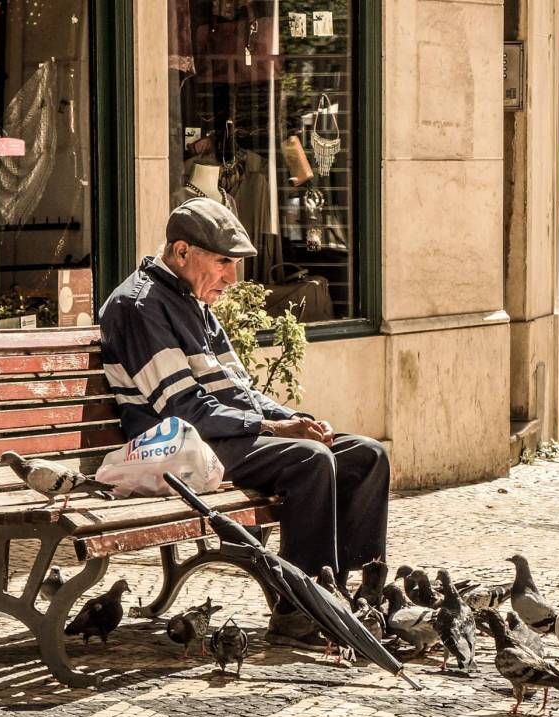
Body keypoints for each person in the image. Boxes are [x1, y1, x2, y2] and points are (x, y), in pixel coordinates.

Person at [98, 198, 390, 647]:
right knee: (308, 461)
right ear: (181, 252)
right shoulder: (141, 306)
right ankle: (299, 613)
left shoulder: (192, 299)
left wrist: (292, 418)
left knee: (366, 455)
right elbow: (181, 409)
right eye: (223, 263)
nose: (232, 279)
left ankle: (346, 597)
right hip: (175, 450)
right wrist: (275, 431)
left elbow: (239, 391)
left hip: (215, 438)